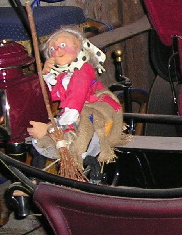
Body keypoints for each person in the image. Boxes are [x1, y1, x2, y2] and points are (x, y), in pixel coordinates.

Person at [27, 27, 130, 170]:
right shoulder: (63, 74)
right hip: (74, 109)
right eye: (52, 49)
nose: (57, 50)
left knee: (79, 128)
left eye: (63, 44)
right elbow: (50, 95)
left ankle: (75, 160)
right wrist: (45, 75)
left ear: (79, 46)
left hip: (90, 107)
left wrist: (52, 128)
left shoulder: (82, 71)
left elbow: (75, 101)